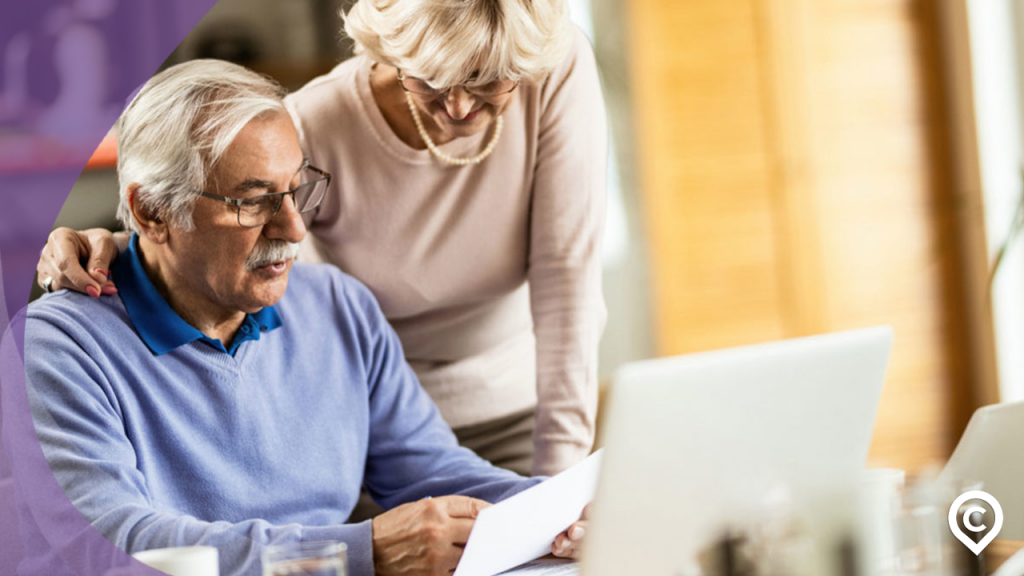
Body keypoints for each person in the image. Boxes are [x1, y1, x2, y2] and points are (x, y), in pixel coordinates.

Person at [15, 60, 586, 576]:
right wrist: (363, 552)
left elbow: (436, 473)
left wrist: (571, 510)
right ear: (152, 211)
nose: (294, 228)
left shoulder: (338, 307)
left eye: (297, 190)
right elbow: (114, 545)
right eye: (252, 201)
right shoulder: (57, 347)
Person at [35, 0, 608, 478]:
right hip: (370, 421)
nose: (458, 107)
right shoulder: (308, 126)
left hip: (513, 403)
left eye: (486, 83)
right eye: (431, 79)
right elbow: (227, 245)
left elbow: (567, 273)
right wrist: (125, 243)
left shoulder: (552, 70)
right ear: (392, 49)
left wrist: (560, 485)